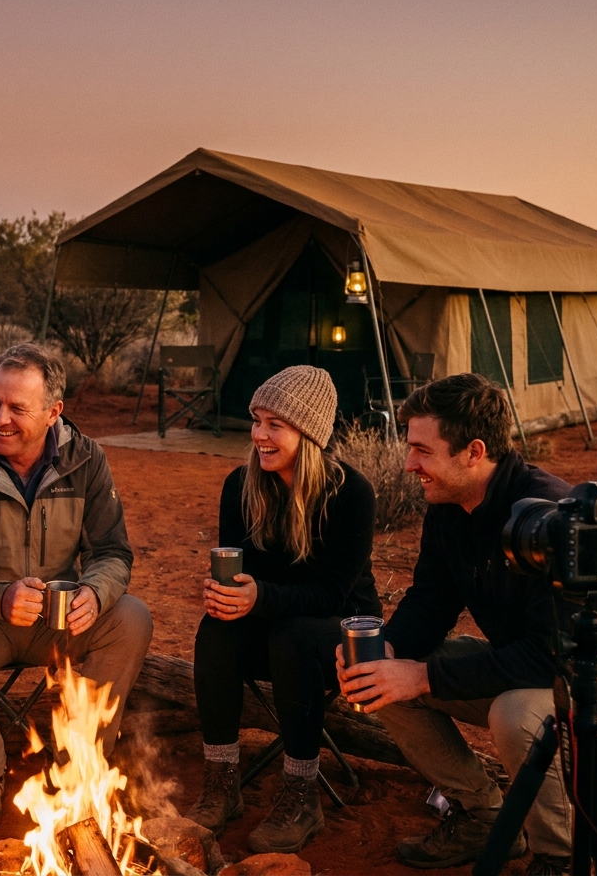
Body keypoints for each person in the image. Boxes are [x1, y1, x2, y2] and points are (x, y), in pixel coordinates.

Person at [337, 373, 597, 875]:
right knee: (382, 676)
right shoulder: (448, 506)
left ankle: (556, 857)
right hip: (536, 670)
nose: (409, 464)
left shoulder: (550, 518)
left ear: (473, 451)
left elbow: (552, 654)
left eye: (423, 451)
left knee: (515, 713)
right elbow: (430, 602)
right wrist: (388, 651)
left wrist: (421, 677)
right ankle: (483, 814)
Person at [0, 343, 153, 832]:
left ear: (53, 413)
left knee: (130, 617)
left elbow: (112, 552)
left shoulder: (86, 459)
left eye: (17, 408)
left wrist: (96, 593)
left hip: (58, 622)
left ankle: (79, 765)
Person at [184, 365, 380, 855]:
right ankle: (222, 782)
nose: (259, 435)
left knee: (293, 634)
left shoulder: (351, 494)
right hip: (270, 623)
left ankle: (300, 794)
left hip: (342, 638)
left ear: (308, 433)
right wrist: (227, 596)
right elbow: (239, 574)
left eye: (276, 424)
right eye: (256, 420)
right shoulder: (241, 486)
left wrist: (260, 598)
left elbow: (332, 597)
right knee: (216, 630)